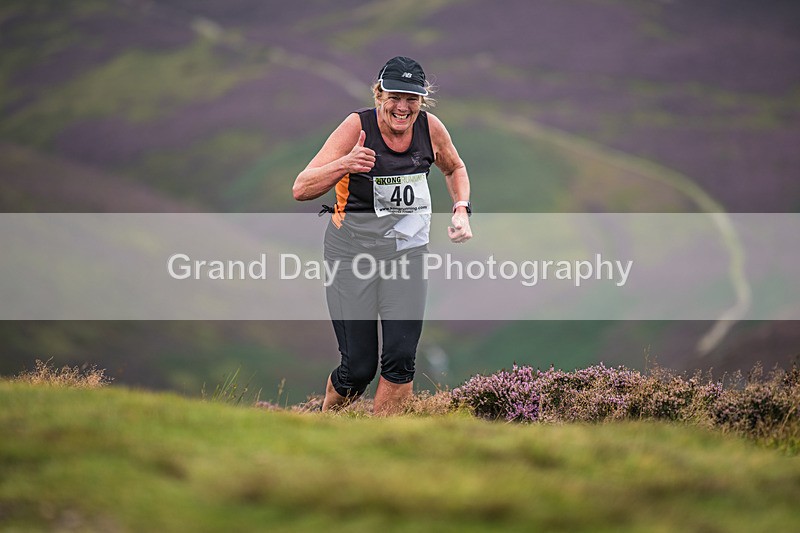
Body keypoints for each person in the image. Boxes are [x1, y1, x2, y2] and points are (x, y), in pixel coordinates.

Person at [293, 56, 472, 415]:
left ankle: (383, 441)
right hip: (351, 255)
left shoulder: (431, 128)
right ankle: (326, 422)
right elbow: (301, 188)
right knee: (358, 369)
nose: (403, 107)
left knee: (401, 359)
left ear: (422, 101)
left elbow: (454, 167)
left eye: (413, 99)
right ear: (379, 94)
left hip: (406, 254)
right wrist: (346, 163)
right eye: (395, 96)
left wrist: (461, 208)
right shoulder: (355, 127)